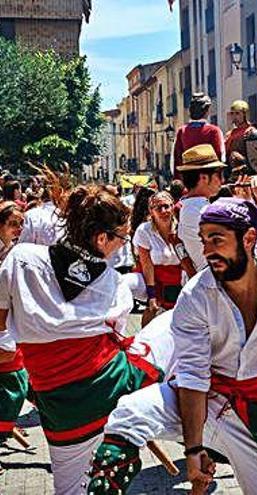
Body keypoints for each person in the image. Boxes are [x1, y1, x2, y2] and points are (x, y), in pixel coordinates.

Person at [86, 197, 257, 494]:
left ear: (248, 238)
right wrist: (194, 452)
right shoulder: (195, 295)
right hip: (197, 398)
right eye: (203, 240)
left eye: (217, 240)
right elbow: (193, 378)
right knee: (130, 412)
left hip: (251, 412)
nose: (207, 250)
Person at [0, 185, 173, 494]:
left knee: (67, 491)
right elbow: (117, 339)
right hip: (107, 390)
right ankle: (188, 432)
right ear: (101, 238)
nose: (123, 247)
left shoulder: (20, 259)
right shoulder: (112, 284)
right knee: (175, 324)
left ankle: (128, 441)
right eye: (122, 239)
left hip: (57, 407)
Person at [133, 192, 196, 325]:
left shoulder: (182, 227)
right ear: (151, 211)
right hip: (156, 280)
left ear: (173, 207)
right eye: (158, 208)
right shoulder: (144, 230)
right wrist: (152, 295)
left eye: (167, 206)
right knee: (152, 314)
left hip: (181, 279)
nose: (164, 211)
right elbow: (146, 264)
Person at [177, 144, 226, 271]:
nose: (223, 180)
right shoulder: (200, 211)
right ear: (203, 177)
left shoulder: (194, 206)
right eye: (219, 175)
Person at [0, 202, 24, 453]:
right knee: (14, 380)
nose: (18, 229)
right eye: (13, 224)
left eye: (21, 224)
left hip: (7, 319)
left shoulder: (11, 249)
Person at [173, 93, 225, 174]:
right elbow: (220, 156)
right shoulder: (214, 131)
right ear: (206, 111)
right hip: (208, 178)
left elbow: (175, 159)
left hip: (188, 179)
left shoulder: (181, 131)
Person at [225, 100, 257, 176]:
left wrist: (242, 160)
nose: (234, 117)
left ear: (245, 114)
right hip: (231, 177)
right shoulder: (229, 135)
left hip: (248, 176)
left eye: (237, 113)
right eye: (232, 114)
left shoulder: (252, 133)